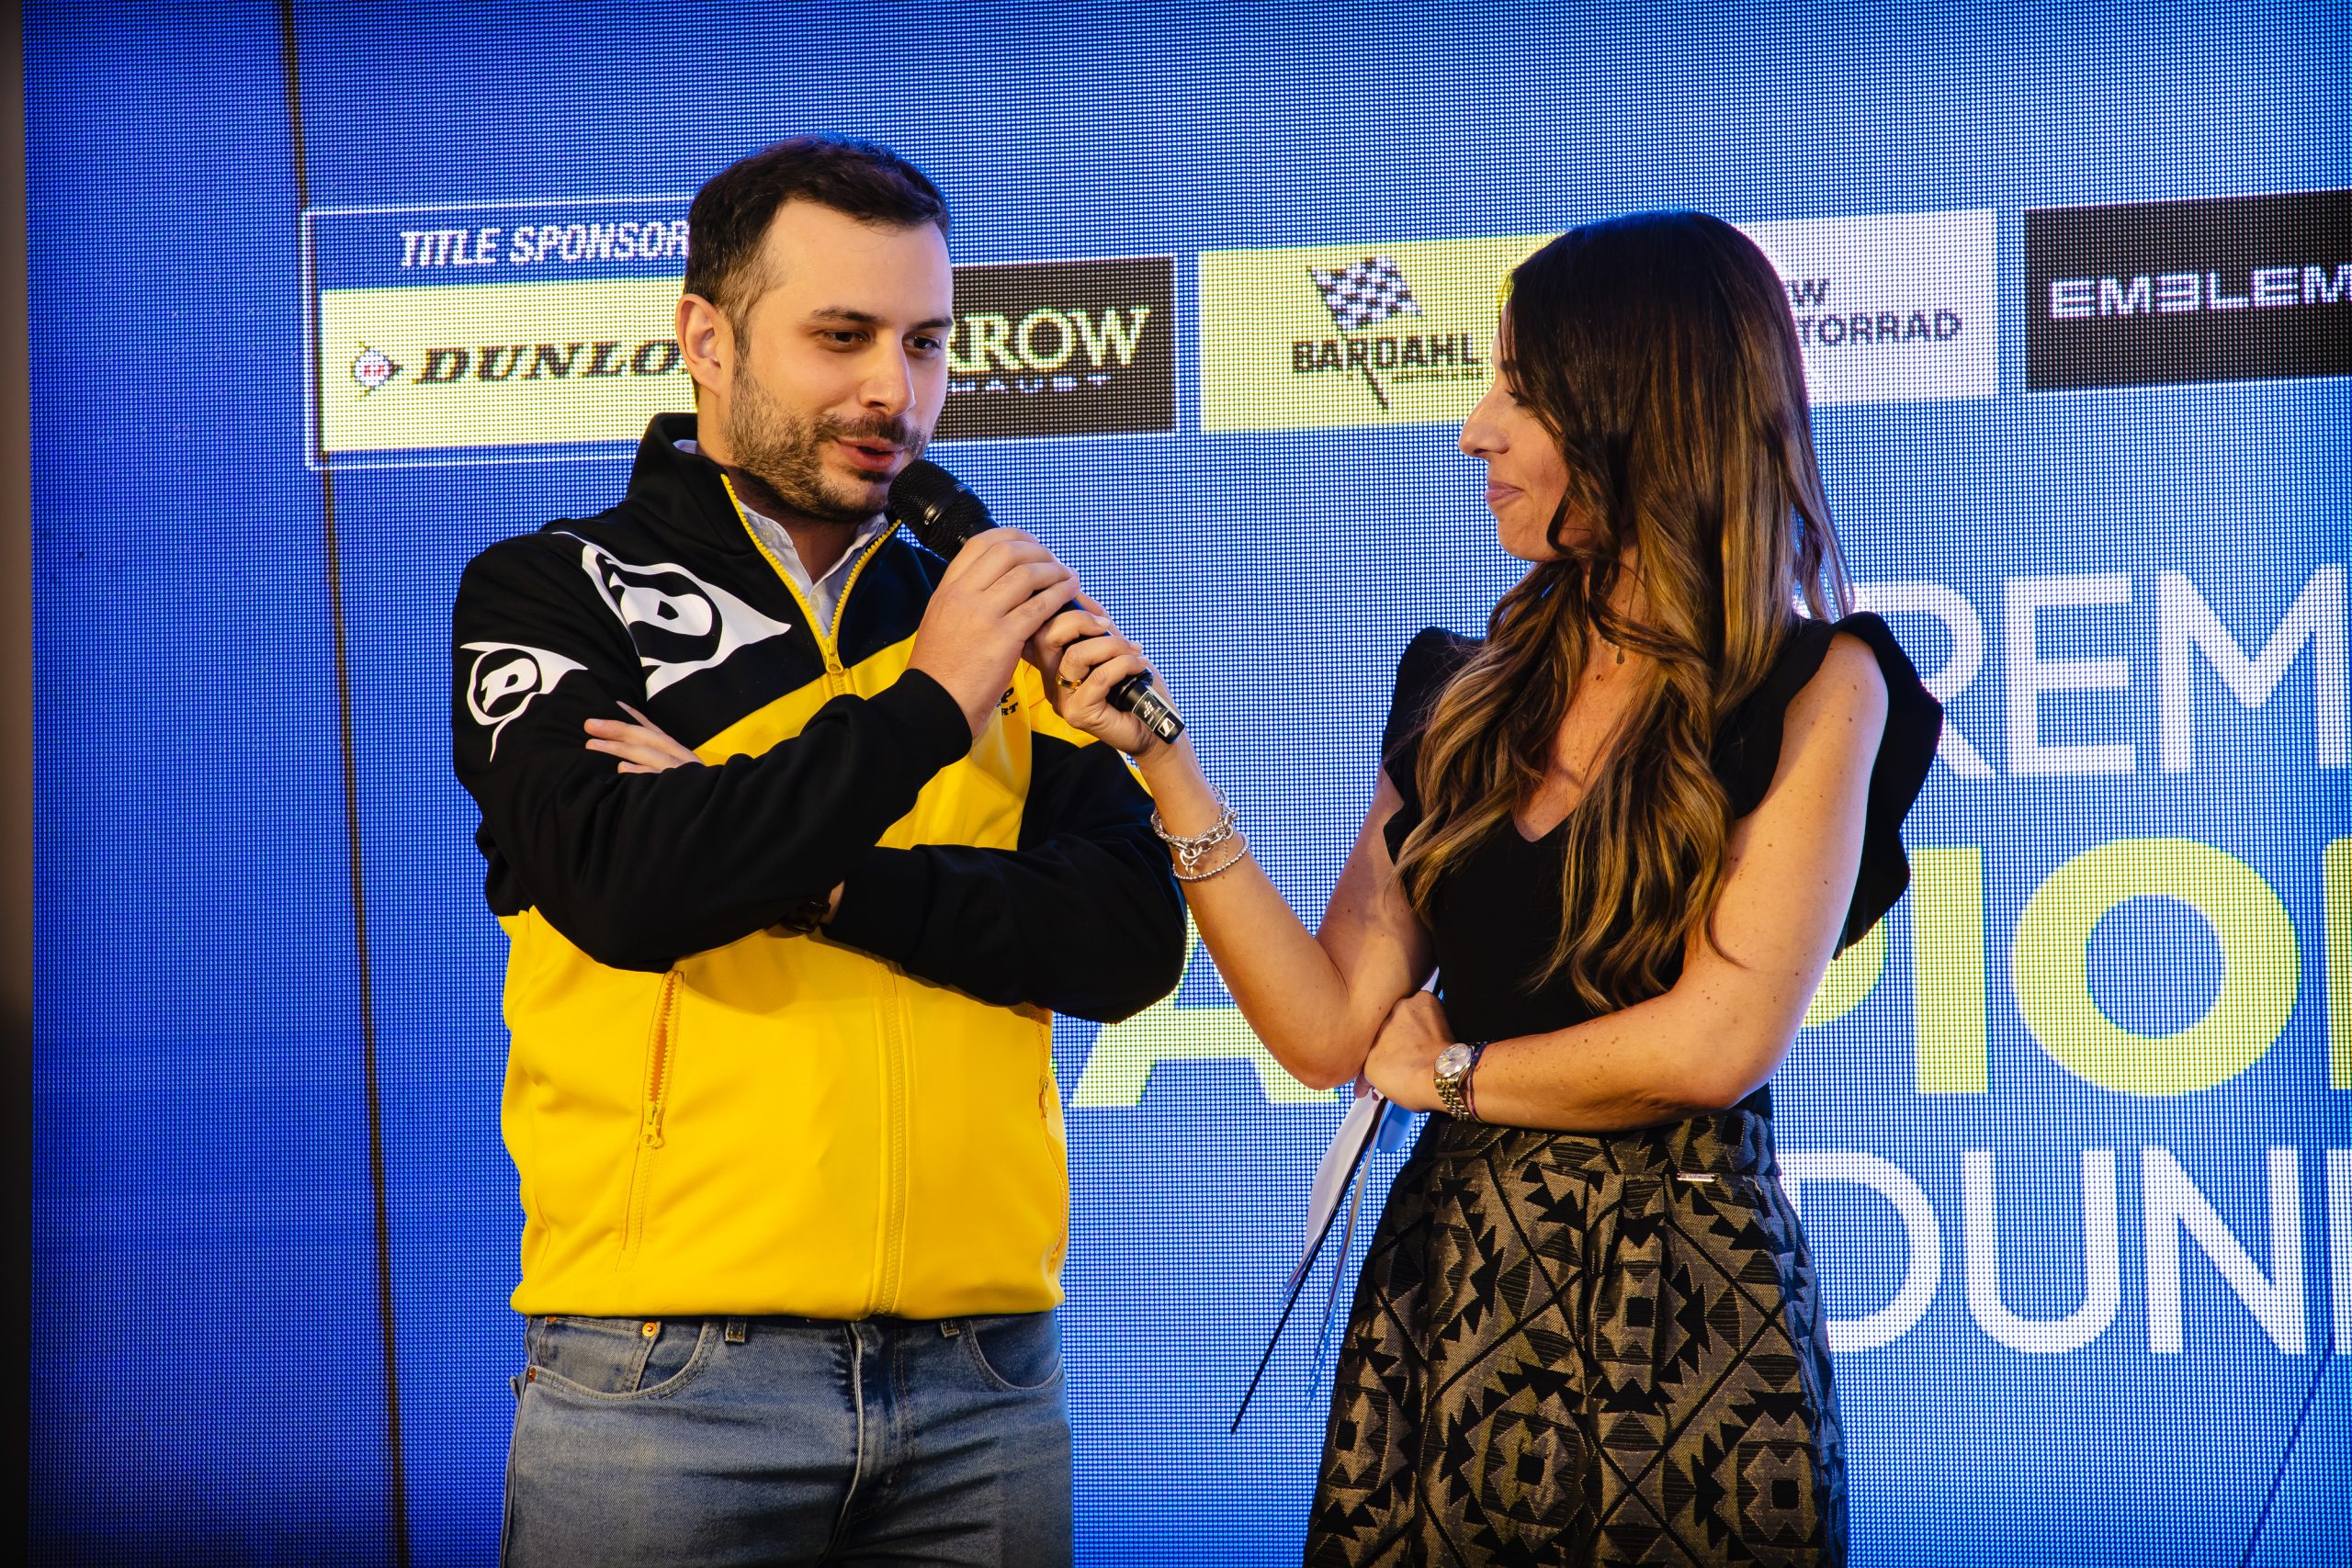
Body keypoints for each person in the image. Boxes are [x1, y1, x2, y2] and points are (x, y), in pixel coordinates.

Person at [1036, 212, 1941, 1564]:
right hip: (1450, 1290)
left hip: (1684, 1304)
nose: (1475, 430)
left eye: (1520, 389)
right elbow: (1329, 1030)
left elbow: (1718, 1042)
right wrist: (1165, 760)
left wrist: (1454, 1074)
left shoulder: (1821, 685)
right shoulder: (1462, 692)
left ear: (1640, 412)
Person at [448, 135, 1183, 1568]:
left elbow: (1123, 942)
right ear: (706, 341)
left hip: (985, 1380)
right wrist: (929, 707)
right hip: (669, 1380)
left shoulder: (986, 608)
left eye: (927, 342)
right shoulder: (553, 588)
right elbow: (628, 889)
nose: (894, 390)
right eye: (841, 337)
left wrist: (813, 879)